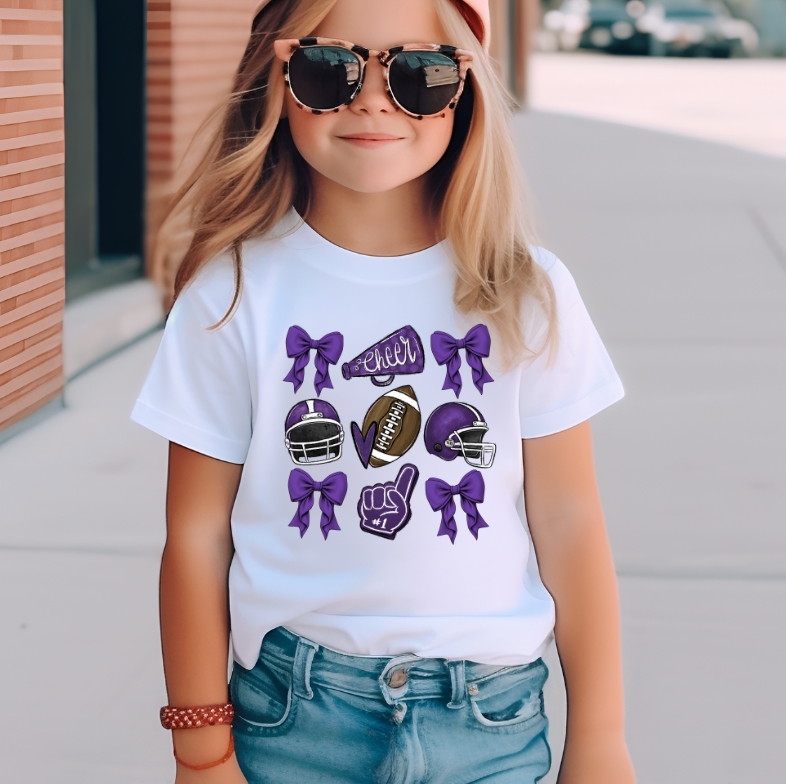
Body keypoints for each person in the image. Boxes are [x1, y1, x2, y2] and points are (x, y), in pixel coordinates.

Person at [131, 0, 637, 782]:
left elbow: (569, 519)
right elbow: (197, 535)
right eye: (328, 69)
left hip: (488, 721)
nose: (373, 98)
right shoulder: (232, 293)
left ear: (464, 88)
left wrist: (600, 741)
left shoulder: (527, 289)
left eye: (418, 74)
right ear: (277, 75)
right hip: (292, 718)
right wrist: (201, 750)